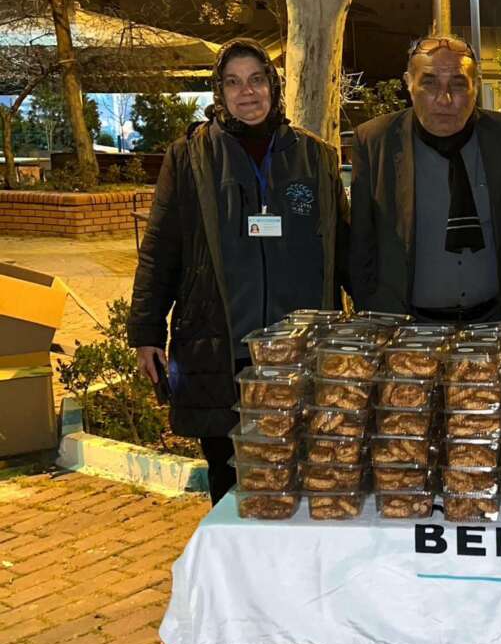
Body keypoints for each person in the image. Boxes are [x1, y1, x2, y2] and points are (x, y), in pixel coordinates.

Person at [128, 38, 349, 505]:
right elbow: (161, 249)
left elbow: (345, 248)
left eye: (256, 80)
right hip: (222, 347)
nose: (246, 92)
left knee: (304, 473)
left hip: (300, 351)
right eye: (233, 83)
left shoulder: (315, 157)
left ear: (273, 85)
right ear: (219, 92)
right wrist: (146, 330)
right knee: (230, 482)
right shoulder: (190, 157)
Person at [349, 35, 501, 325]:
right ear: (409, 83)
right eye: (430, 83)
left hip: (499, 324)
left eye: (458, 85)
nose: (444, 99)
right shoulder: (374, 141)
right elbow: (361, 246)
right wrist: (374, 318)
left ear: (476, 86)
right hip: (406, 329)